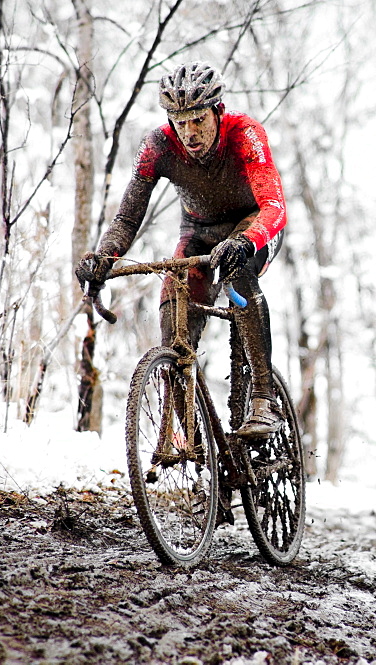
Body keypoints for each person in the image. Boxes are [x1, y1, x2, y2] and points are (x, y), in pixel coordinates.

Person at [75, 61, 287, 436]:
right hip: (199, 231)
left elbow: (274, 206)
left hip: (251, 225)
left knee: (239, 275)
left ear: (217, 112)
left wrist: (245, 241)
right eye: (179, 121)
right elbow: (127, 219)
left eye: (198, 120)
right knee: (175, 310)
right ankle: (184, 433)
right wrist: (102, 259)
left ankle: (263, 400)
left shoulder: (246, 133)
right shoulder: (157, 145)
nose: (189, 132)